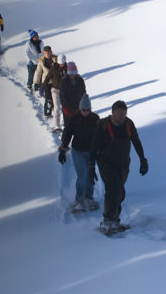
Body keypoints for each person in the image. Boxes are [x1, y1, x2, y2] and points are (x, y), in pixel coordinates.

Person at [89, 100, 148, 231]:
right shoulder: (102, 125)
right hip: (106, 163)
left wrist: (143, 160)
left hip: (123, 164)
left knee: (120, 193)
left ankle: (114, 219)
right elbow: (93, 146)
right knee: (113, 190)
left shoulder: (128, 124)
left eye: (124, 114)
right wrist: (91, 167)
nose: (121, 117)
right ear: (112, 112)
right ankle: (108, 220)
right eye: (119, 114)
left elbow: (136, 142)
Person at [58, 93, 100, 212]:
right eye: (83, 110)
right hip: (78, 151)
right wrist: (63, 149)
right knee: (82, 175)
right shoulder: (74, 119)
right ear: (80, 109)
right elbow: (67, 134)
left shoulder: (95, 119)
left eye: (88, 110)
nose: (86, 112)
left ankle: (89, 197)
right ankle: (79, 199)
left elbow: (100, 136)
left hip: (91, 151)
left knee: (90, 174)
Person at [59, 62, 86, 129]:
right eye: (71, 74)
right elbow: (62, 96)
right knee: (68, 127)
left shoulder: (80, 80)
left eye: (74, 73)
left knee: (79, 127)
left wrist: (84, 104)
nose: (72, 75)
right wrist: (65, 107)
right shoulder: (64, 81)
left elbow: (84, 92)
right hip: (67, 108)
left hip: (78, 108)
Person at [33, 46, 54, 117]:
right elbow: (38, 72)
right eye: (46, 52)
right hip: (46, 82)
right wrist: (36, 82)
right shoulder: (41, 61)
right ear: (43, 53)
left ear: (51, 52)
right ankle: (47, 113)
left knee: (54, 97)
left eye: (49, 52)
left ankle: (52, 107)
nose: (48, 54)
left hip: (55, 81)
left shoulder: (55, 59)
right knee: (48, 98)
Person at [49, 54, 67, 131]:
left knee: (65, 107)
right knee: (57, 107)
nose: (61, 65)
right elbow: (48, 77)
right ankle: (56, 125)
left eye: (62, 63)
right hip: (55, 90)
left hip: (64, 91)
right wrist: (42, 87)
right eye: (60, 63)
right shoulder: (54, 68)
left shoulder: (67, 68)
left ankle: (65, 122)